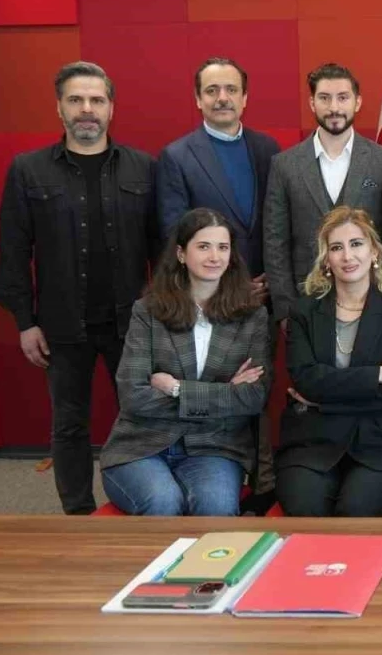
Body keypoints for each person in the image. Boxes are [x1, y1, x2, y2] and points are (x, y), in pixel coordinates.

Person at [0, 61, 158, 514]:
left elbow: (163, 248)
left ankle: (144, 507)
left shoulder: (143, 168)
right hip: (61, 326)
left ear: (111, 108)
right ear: (59, 108)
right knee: (69, 426)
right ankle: (78, 514)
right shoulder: (28, 171)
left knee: (142, 420)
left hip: (132, 325)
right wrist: (25, 323)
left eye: (96, 100)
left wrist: (160, 313)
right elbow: (14, 252)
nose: (87, 108)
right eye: (76, 99)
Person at [157, 56, 281, 505]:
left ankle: (262, 486)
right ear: (198, 99)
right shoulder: (176, 156)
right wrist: (232, 283)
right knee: (219, 389)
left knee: (259, 391)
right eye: (212, 90)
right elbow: (176, 231)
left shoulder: (268, 149)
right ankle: (216, 478)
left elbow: (278, 222)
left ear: (245, 97)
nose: (222, 98)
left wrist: (272, 282)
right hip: (207, 299)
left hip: (265, 296)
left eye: (231, 89)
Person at [98, 208, 269, 515]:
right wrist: (224, 393)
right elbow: (133, 395)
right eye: (203, 246)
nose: (214, 257)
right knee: (163, 502)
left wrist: (176, 389)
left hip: (215, 445)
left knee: (216, 507)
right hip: (143, 443)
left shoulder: (252, 315)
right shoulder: (148, 311)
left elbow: (253, 397)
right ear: (181, 253)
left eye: (223, 247)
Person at [276, 207, 382, 517]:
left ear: (374, 251)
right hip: (311, 442)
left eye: (356, 244)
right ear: (326, 259)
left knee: (356, 514)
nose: (347, 256)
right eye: (336, 247)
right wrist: (380, 374)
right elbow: (306, 380)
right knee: (308, 512)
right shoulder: (302, 312)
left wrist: (323, 396)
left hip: (381, 442)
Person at [264, 62, 382, 327]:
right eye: (324, 98)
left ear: (358, 102)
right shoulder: (284, 165)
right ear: (312, 103)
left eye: (343, 98)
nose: (334, 107)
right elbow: (275, 242)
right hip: (306, 302)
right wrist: (286, 310)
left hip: (372, 301)